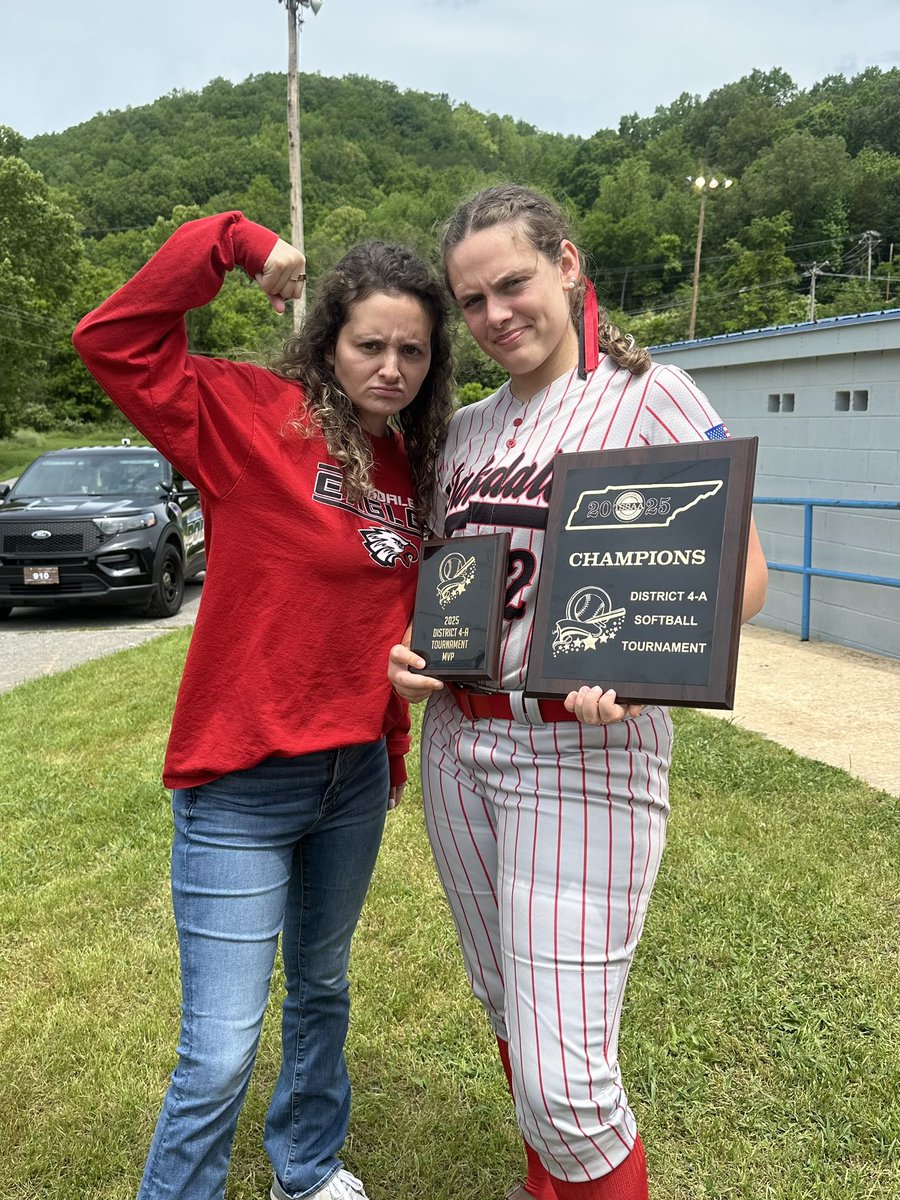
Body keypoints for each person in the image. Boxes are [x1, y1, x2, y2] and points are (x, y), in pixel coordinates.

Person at [388, 184, 768, 1200]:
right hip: (462, 748)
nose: (495, 313)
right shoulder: (464, 432)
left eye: (512, 282)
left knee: (568, 1086)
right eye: (471, 301)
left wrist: (649, 666)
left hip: (583, 754)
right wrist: (411, 655)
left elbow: (744, 576)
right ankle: (543, 1188)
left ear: (566, 264)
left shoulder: (650, 393)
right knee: (510, 1006)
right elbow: (452, 585)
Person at [73, 210, 454, 1200]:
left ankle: (307, 1166)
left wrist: (396, 724)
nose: (392, 367)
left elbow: (381, 621)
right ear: (326, 340)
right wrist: (234, 242)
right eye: (370, 344)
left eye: (413, 350)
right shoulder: (249, 415)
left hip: (351, 780)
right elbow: (112, 340)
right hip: (242, 782)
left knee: (322, 989)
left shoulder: (410, 467)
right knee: (219, 1052)